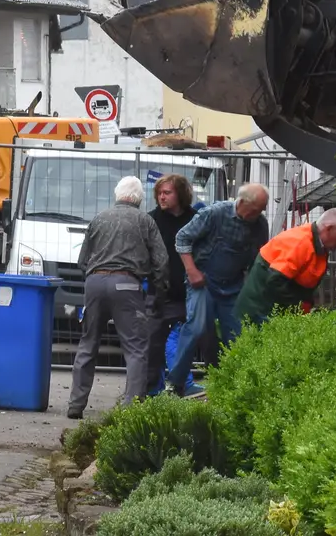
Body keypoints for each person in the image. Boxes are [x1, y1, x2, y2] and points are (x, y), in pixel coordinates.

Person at [65, 176, 170, 419]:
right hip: (127, 285)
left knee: (88, 344)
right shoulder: (146, 221)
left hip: (94, 283)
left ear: (117, 195)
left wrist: (95, 277)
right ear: (139, 199)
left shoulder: (99, 218)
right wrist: (158, 291)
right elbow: (161, 261)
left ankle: (75, 405)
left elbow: (83, 260)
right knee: (135, 349)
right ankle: (131, 409)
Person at [167, 183, 270, 397]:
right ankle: (175, 385)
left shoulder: (259, 225)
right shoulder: (215, 214)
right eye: (255, 209)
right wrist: (192, 271)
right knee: (196, 327)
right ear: (242, 202)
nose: (257, 214)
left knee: (237, 336)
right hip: (203, 281)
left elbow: (258, 260)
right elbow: (182, 238)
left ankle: (232, 386)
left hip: (233, 286)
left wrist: (252, 291)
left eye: (261, 210)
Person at [238, 208, 336, 326]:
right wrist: (297, 311)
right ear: (329, 228)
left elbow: (304, 284)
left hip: (272, 307)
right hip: (260, 308)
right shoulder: (301, 243)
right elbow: (275, 281)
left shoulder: (319, 246)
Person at [145, 174, 197, 397]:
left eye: (167, 193)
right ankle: (151, 390)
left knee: (181, 339)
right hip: (157, 292)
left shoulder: (195, 219)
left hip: (187, 291)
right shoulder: (151, 220)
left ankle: (181, 384)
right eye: (159, 193)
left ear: (181, 195)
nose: (162, 197)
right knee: (153, 343)